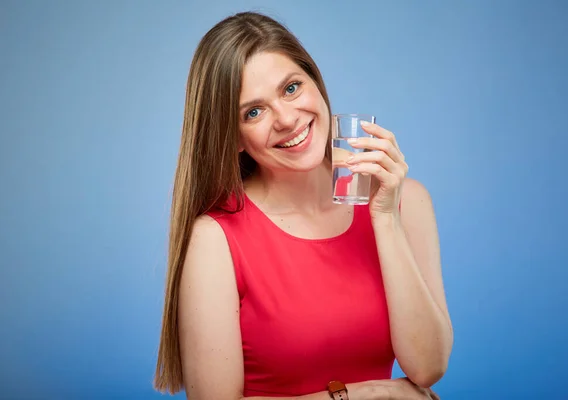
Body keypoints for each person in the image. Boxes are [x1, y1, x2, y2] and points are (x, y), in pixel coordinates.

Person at [154, 11, 453, 400]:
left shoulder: (405, 202)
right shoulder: (216, 239)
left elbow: (428, 366)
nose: (286, 118)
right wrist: (366, 395)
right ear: (234, 138)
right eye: (254, 112)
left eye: (292, 88)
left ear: (315, 82)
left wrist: (384, 219)